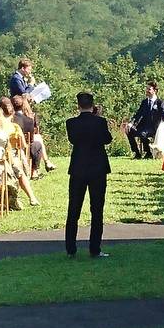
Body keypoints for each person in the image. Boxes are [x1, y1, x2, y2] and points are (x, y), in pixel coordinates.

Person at [65, 92, 112, 258]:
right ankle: (95, 248)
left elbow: (73, 140)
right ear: (93, 105)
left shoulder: (71, 123)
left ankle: (71, 248)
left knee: (74, 209)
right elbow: (107, 139)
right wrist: (97, 119)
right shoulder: (100, 122)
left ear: (78, 105)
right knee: (97, 210)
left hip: (78, 168)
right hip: (97, 168)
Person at [126, 81, 164, 159]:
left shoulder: (160, 102)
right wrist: (131, 123)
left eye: (149, 89)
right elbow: (138, 114)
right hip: (143, 126)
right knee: (129, 131)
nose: (147, 90)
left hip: (153, 127)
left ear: (155, 91)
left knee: (143, 134)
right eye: (146, 88)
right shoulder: (144, 102)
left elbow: (163, 114)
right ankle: (137, 153)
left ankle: (148, 152)